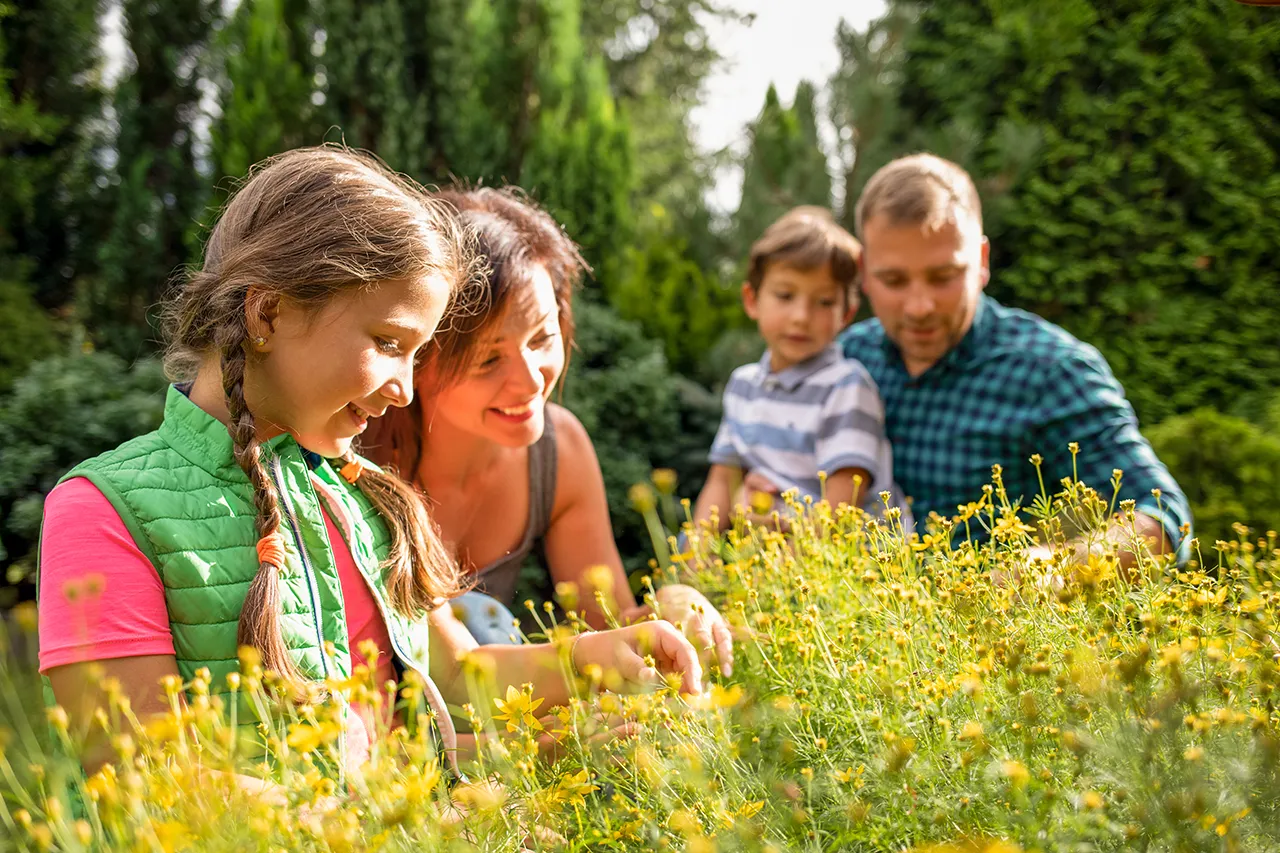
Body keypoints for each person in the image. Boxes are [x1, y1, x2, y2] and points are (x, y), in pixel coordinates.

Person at [36, 148, 703, 780]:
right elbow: (145, 780)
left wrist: (601, 658)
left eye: (417, 353)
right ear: (266, 311)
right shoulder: (104, 510)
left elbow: (456, 675)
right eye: (388, 342)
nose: (405, 390)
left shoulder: (363, 499)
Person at [360, 187, 734, 675]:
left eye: (542, 337)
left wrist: (678, 604)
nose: (531, 379)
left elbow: (610, 629)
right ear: (417, 354)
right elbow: (445, 675)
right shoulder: (354, 452)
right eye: (488, 358)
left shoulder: (558, 453)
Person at [838, 152, 1191, 567]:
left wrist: (1050, 571)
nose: (919, 306)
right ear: (863, 271)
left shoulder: (1050, 369)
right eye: (893, 280)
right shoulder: (847, 357)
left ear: (982, 262)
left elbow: (1163, 520)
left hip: (987, 625)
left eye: (944, 276)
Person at [692, 206, 911, 533]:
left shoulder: (847, 387)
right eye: (785, 295)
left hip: (845, 560)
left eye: (824, 302)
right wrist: (698, 557)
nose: (801, 316)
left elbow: (841, 509)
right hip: (771, 551)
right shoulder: (743, 385)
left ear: (846, 313)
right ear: (752, 300)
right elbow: (723, 480)